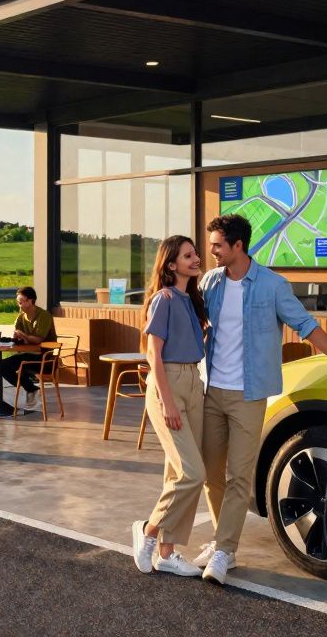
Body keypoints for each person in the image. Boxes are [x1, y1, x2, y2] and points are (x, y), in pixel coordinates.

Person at [189, 215, 327, 586]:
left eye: (217, 245)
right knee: (210, 475)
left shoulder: (272, 286)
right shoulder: (210, 282)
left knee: (239, 475)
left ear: (238, 245)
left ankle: (225, 548)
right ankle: (222, 540)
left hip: (249, 394)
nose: (211, 251)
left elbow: (307, 326)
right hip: (211, 391)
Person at [131, 235, 209, 578]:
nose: (196, 259)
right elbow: (154, 355)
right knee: (195, 473)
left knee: (178, 473)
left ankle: (167, 552)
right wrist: (166, 402)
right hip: (170, 385)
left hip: (195, 381)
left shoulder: (191, 299)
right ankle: (148, 530)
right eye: (188, 255)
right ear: (171, 263)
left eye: (195, 254)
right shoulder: (162, 300)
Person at [0, 286, 57, 410]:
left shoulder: (44, 316)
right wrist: (16, 337)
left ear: (30, 301)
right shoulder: (20, 318)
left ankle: (31, 390)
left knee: (14, 365)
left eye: (21, 301)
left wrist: (24, 335)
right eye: (18, 302)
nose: (19, 304)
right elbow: (18, 336)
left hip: (44, 358)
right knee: (1, 366)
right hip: (28, 354)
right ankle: (31, 389)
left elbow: (38, 340)